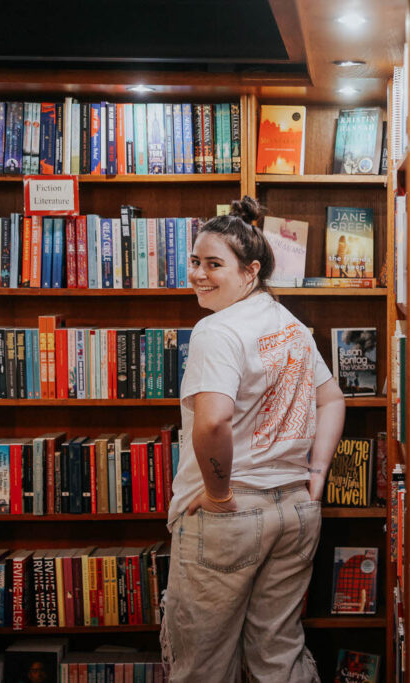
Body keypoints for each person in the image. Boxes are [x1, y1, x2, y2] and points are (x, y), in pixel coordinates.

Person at [162, 196, 345, 683]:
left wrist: (219, 495)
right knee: (278, 656)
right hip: (295, 513)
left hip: (231, 516)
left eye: (214, 264)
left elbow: (213, 421)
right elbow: (333, 400)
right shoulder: (291, 326)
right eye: (195, 261)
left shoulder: (216, 331)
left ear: (251, 270)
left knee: (203, 666)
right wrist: (315, 476)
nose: (198, 274)